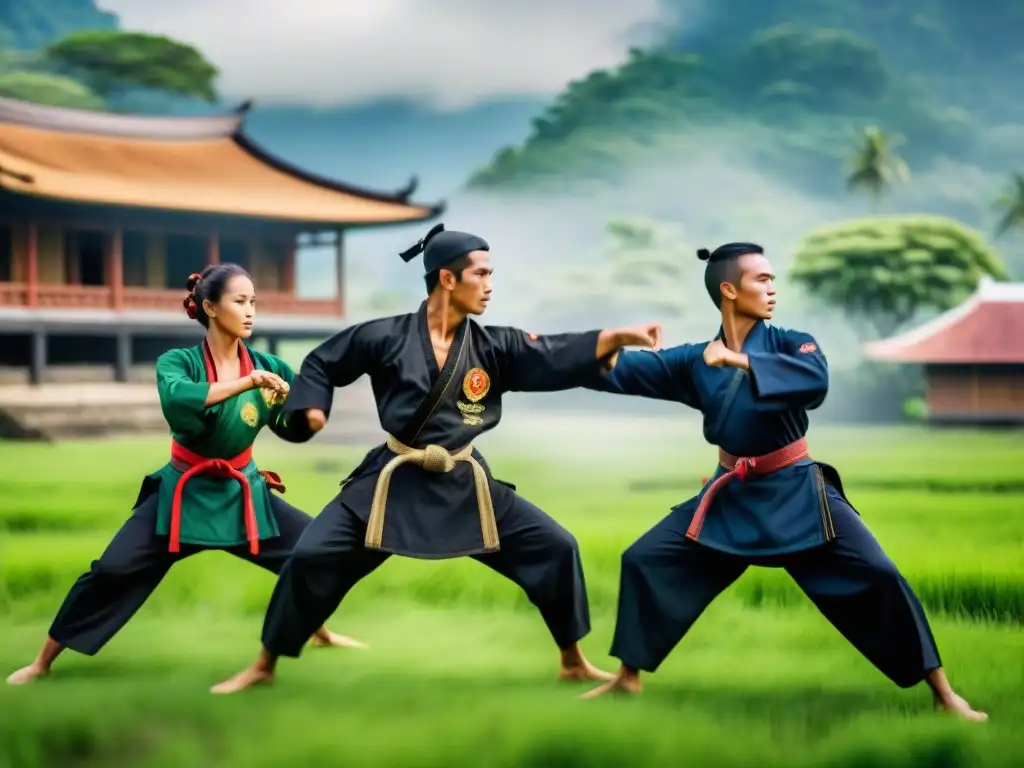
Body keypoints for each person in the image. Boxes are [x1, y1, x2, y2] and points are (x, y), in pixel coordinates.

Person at [210, 223, 663, 694]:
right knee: (311, 556)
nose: (489, 285)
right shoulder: (385, 336)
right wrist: (312, 408)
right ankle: (265, 664)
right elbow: (325, 361)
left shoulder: (493, 345)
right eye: (481, 274)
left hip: (464, 480)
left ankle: (572, 660)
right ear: (448, 279)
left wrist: (614, 337)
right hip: (393, 478)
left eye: (491, 274)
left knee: (555, 547)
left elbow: (549, 352)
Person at [577, 242, 987, 722]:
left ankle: (943, 693)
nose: (773, 289)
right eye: (762, 280)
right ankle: (627, 678)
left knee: (879, 576)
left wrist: (739, 363)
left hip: (797, 493)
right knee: (647, 559)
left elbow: (814, 381)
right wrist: (580, 348)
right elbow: (618, 370)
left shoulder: (795, 343)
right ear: (729, 290)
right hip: (731, 495)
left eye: (773, 280)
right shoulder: (694, 361)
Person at [6, 263, 363, 686]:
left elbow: (292, 425)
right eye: (240, 301)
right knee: (111, 572)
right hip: (182, 494)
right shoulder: (178, 362)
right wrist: (248, 383)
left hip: (243, 492)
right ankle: (42, 662)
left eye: (254, 303)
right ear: (210, 307)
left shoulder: (269, 366)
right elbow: (180, 402)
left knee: (312, 552)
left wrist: (305, 416)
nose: (250, 312)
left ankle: (317, 632)